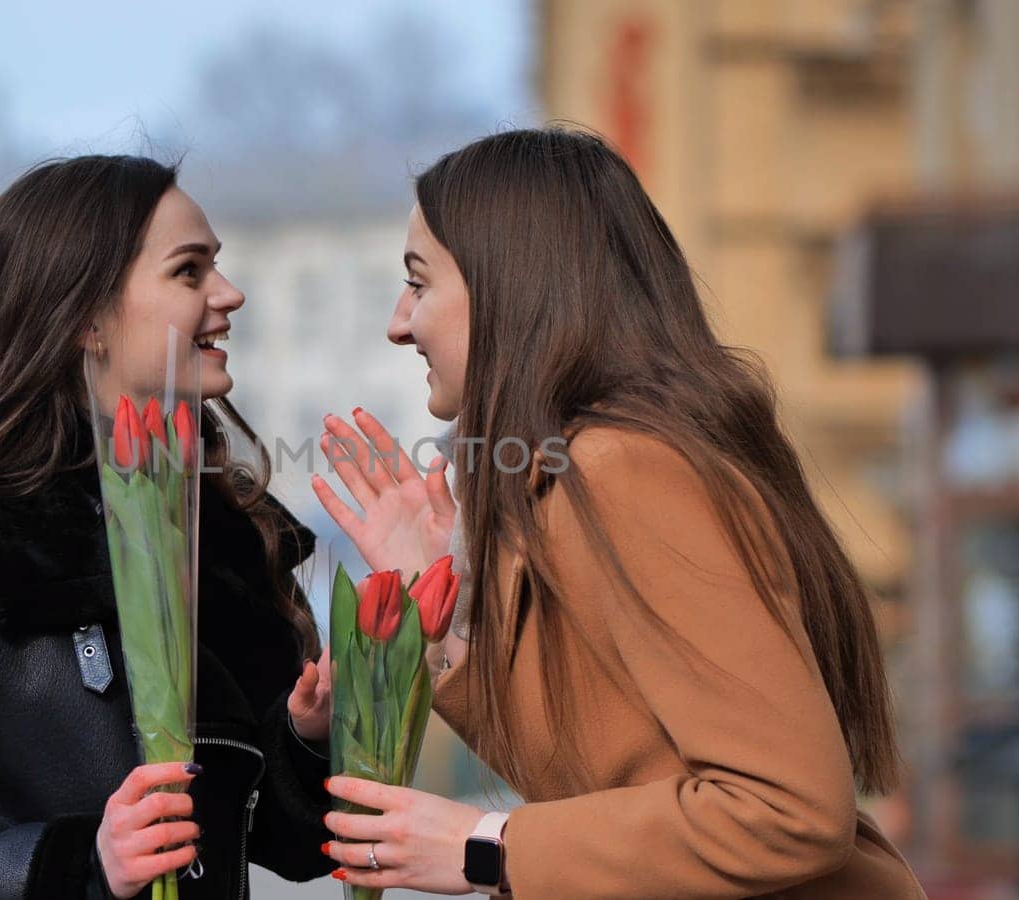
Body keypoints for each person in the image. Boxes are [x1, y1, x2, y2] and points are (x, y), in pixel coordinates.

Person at [310, 127, 926, 898]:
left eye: (419, 283)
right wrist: (445, 618)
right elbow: (602, 783)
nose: (399, 322)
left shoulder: (624, 470)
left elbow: (785, 807)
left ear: (512, 286)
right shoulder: (576, 475)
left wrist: (480, 846)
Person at [0, 156, 335, 899]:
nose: (228, 295)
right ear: (87, 319)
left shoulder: (224, 539)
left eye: (218, 268)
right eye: (189, 271)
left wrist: (304, 740)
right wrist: (78, 866)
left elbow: (283, 846)